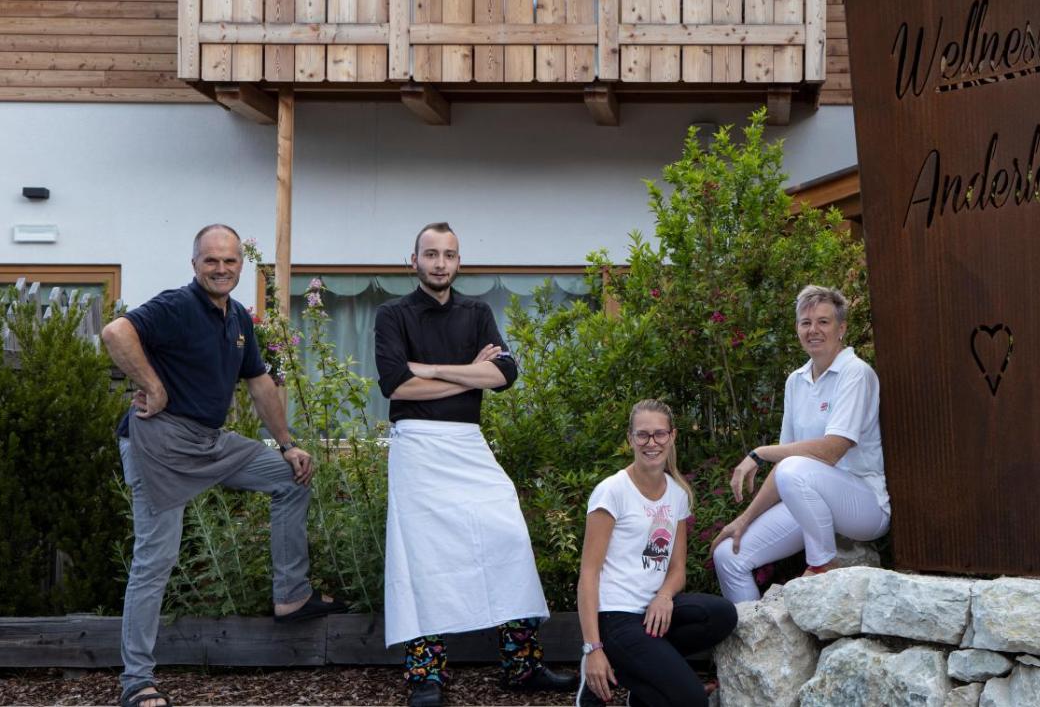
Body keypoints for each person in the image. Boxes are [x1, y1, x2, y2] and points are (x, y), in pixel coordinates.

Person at [102, 224, 346, 707]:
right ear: (195, 264)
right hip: (161, 443)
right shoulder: (176, 306)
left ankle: (291, 595)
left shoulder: (237, 319)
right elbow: (116, 331)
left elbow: (259, 383)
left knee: (291, 476)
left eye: (230, 261)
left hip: (210, 440)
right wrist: (153, 385)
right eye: (211, 260)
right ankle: (137, 679)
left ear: (240, 265)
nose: (221, 269)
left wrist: (287, 444)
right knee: (156, 560)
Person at [374, 222, 575, 707]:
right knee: (421, 559)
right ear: (414, 261)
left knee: (508, 538)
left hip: (468, 442)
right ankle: (426, 676)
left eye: (448, 254)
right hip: (418, 445)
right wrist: (471, 374)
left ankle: (521, 665)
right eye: (431, 254)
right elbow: (396, 385)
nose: (440, 263)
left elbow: (505, 373)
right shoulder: (392, 314)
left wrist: (433, 368)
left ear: (459, 261)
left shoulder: (477, 311)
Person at [711, 285, 889, 602]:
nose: (813, 330)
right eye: (806, 322)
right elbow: (785, 470)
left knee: (793, 468)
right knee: (728, 555)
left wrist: (760, 453)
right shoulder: (796, 380)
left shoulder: (856, 373)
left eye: (823, 322)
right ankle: (753, 628)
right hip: (809, 498)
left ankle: (822, 564)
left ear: (841, 329)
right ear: (797, 329)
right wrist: (744, 519)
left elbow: (832, 450)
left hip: (864, 505)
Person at [576, 399, 737, 707]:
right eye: (642, 435)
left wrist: (664, 596)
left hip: (653, 613)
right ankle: (613, 666)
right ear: (630, 439)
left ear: (672, 436)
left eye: (660, 434)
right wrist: (592, 648)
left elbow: (677, 569)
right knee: (693, 702)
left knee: (721, 615)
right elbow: (588, 573)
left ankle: (643, 685)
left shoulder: (677, 494)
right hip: (616, 616)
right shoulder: (612, 491)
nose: (652, 442)